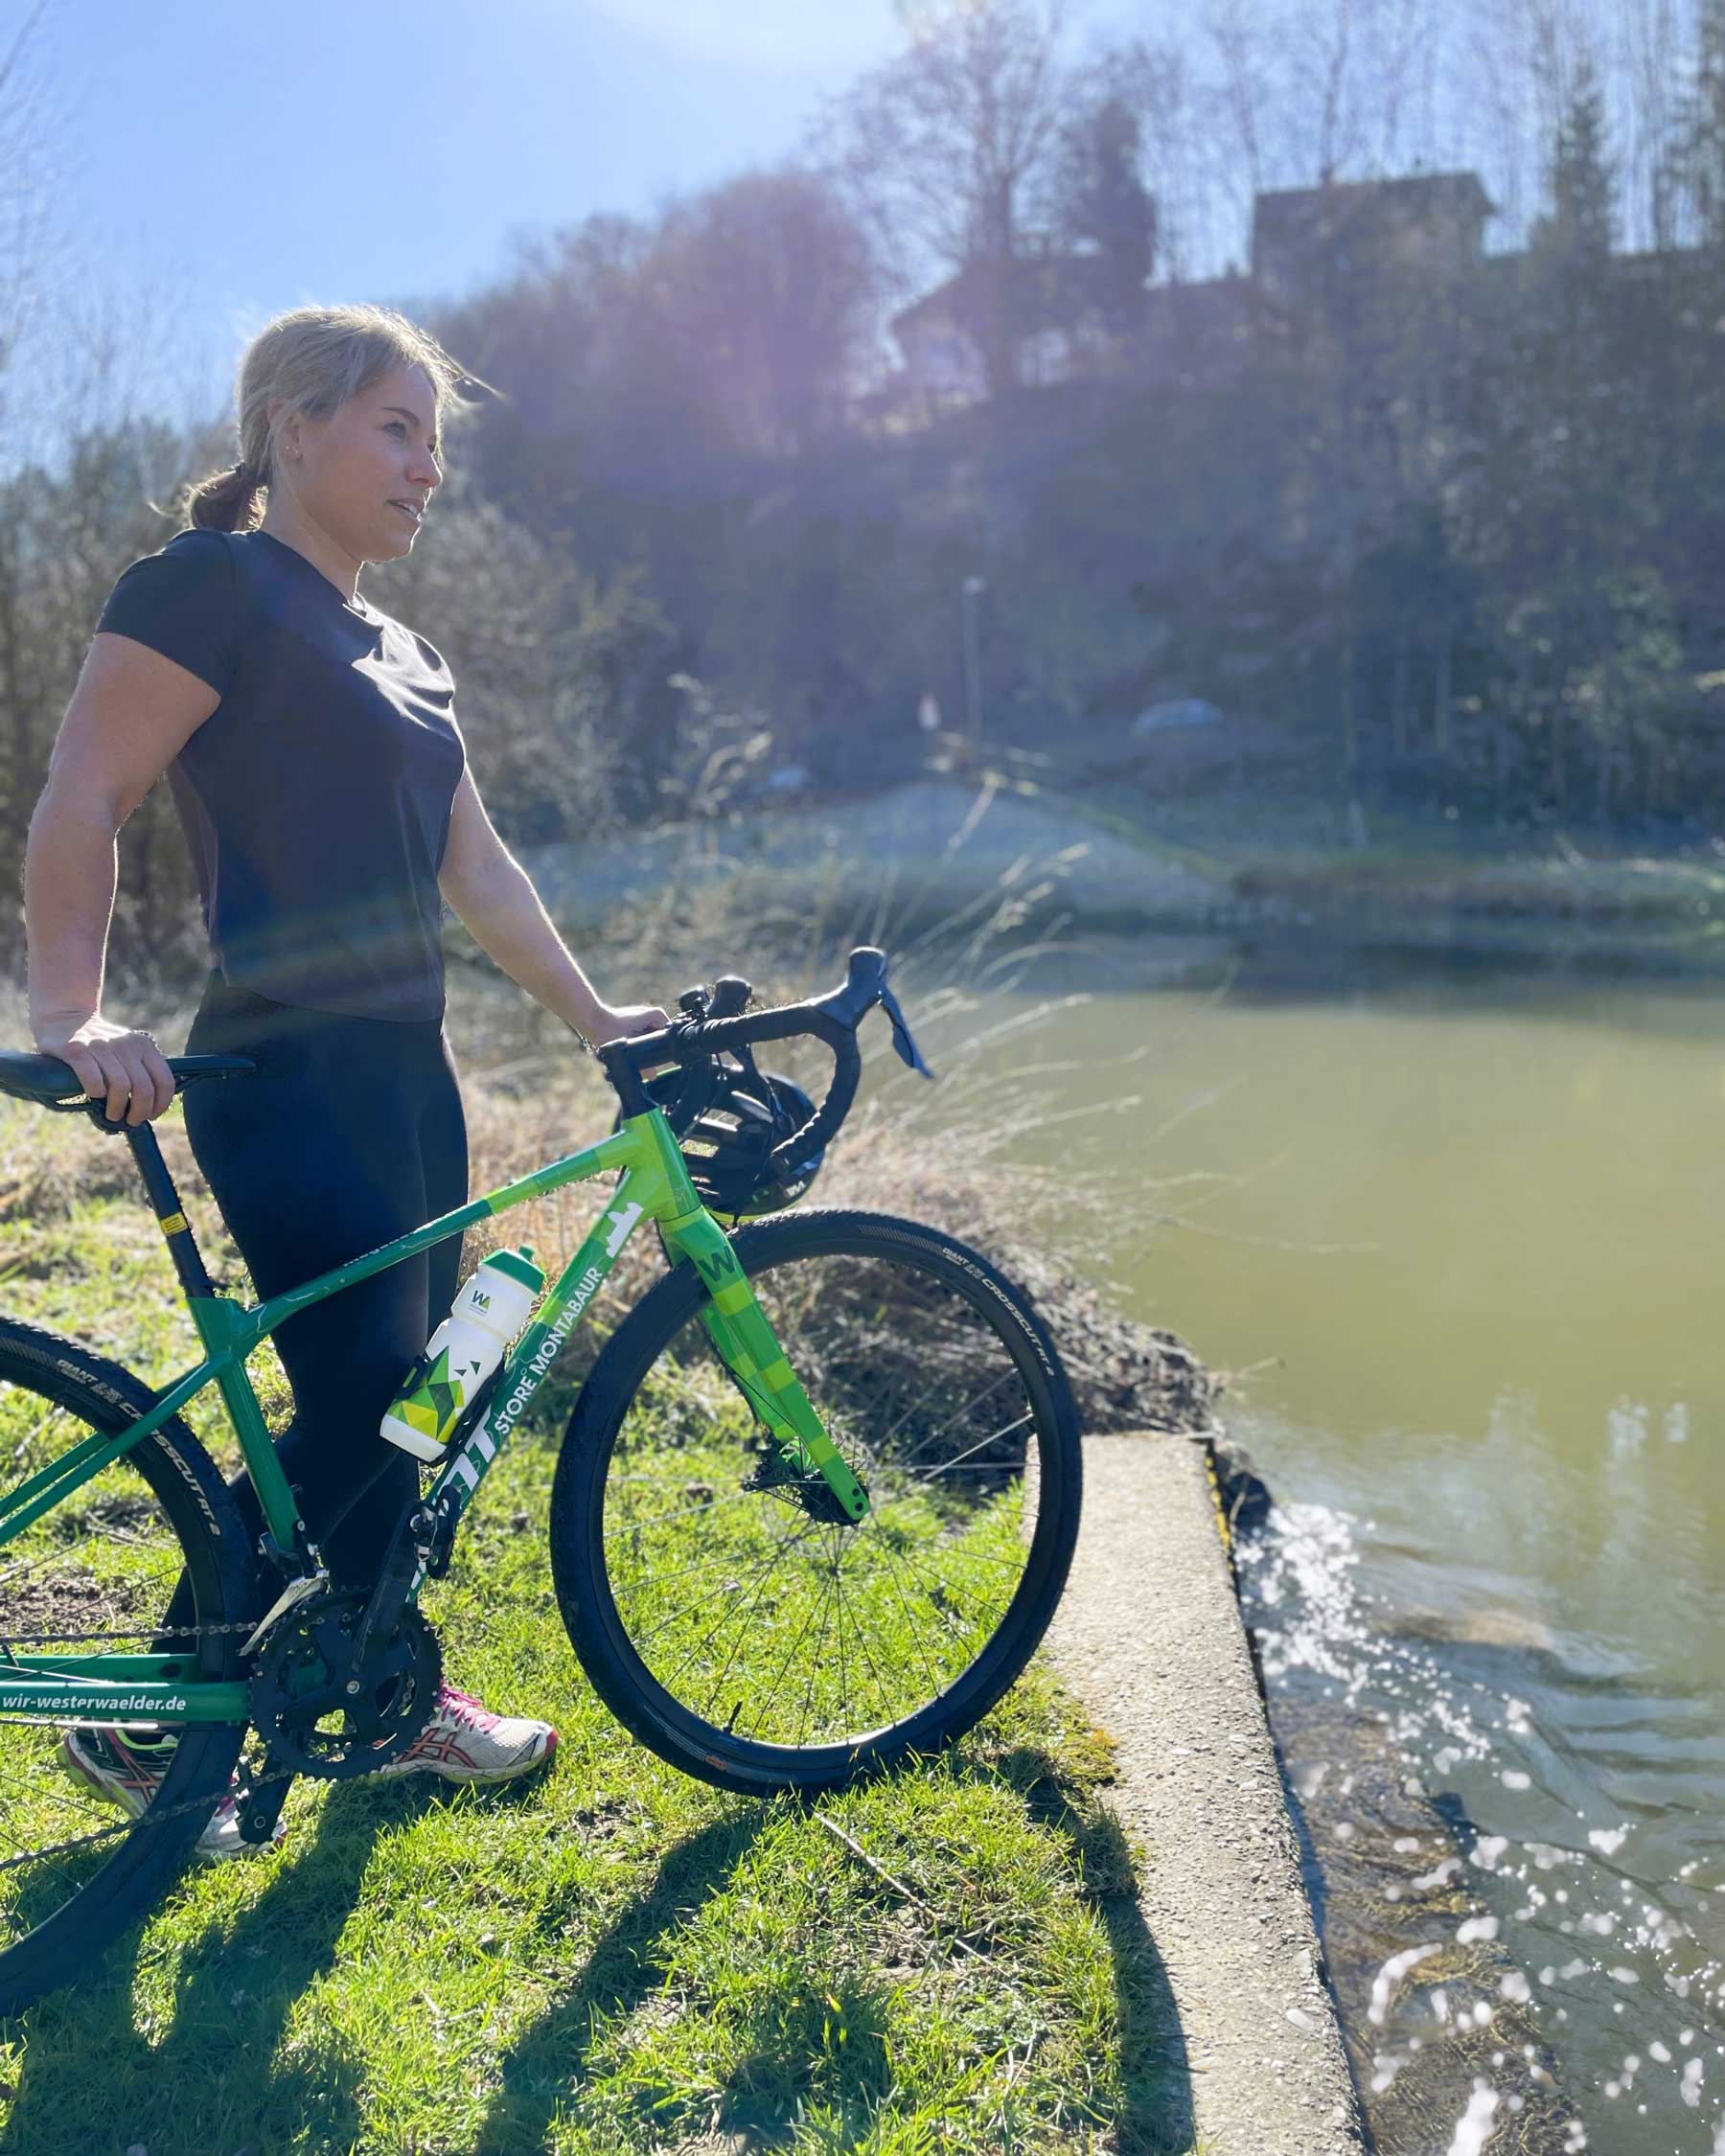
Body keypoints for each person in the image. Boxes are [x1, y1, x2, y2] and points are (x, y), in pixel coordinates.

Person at [22, 304, 667, 1857]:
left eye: (435, 438)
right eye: (396, 427)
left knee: (438, 1384)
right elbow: (84, 791)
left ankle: (380, 1676)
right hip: (282, 1067)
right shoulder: (211, 588)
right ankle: (156, 1719)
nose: (426, 466)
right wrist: (71, 1011)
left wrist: (600, 1019)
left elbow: (482, 870)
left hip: (409, 1071)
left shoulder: (409, 654)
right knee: (363, 1392)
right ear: (291, 427)